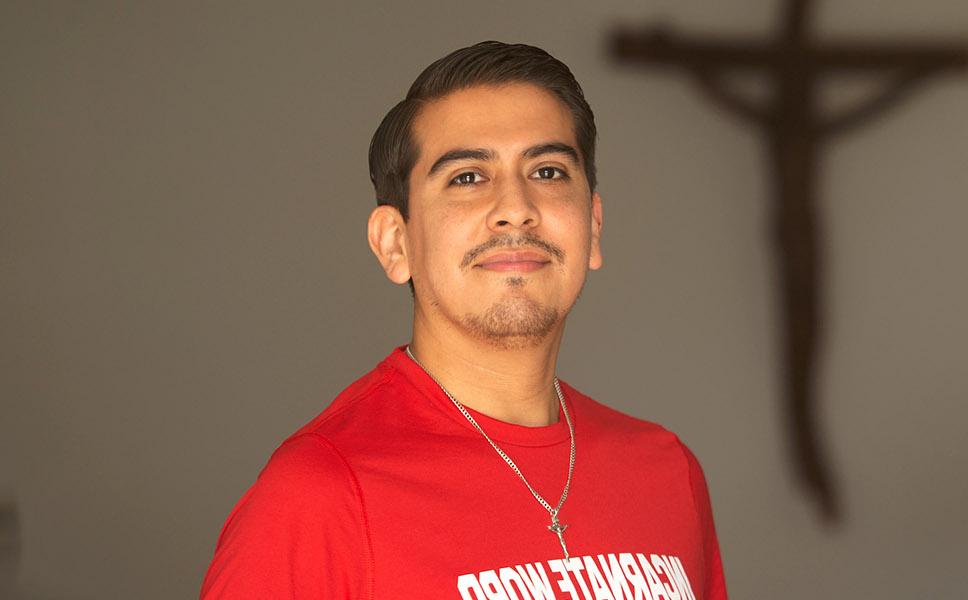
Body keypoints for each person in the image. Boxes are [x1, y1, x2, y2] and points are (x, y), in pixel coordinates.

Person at [201, 42, 727, 600]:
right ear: (394, 242)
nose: (516, 207)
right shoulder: (320, 494)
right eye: (468, 178)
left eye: (547, 171)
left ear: (592, 226)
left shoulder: (667, 473)